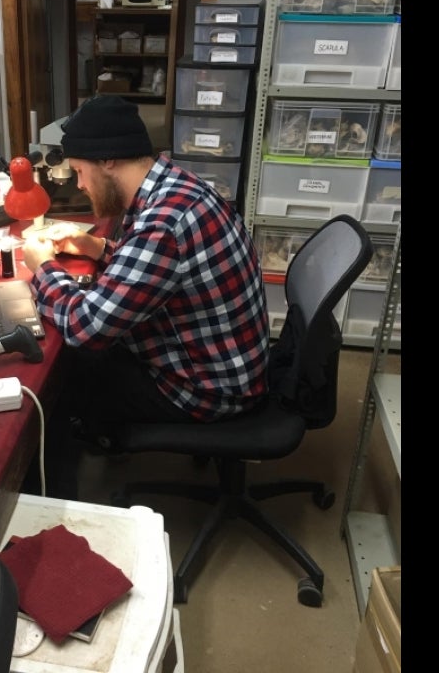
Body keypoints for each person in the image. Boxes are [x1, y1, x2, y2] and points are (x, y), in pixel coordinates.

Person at [20, 95, 270, 500]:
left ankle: (54, 509)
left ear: (108, 161)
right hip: (233, 366)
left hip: (211, 391)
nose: (80, 185)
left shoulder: (163, 223)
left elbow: (85, 328)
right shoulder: (176, 187)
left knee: (58, 377)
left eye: (80, 172)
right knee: (84, 350)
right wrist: (95, 249)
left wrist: (43, 265)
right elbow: (161, 272)